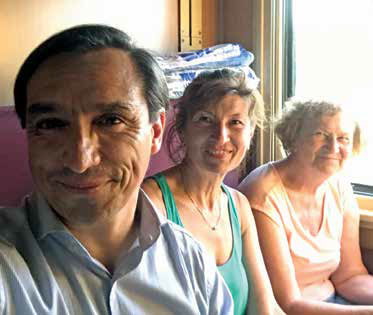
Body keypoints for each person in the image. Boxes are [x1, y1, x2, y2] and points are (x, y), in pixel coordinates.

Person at [0, 24, 234, 314]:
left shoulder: (191, 264)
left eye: (111, 121)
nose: (80, 160)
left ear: (157, 130)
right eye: (51, 124)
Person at [142, 69, 285, 315]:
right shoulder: (152, 202)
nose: (221, 135)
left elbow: (265, 307)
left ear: (250, 133)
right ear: (182, 129)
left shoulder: (238, 205)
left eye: (235, 122)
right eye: (205, 119)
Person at [238, 99, 373, 314]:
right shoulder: (262, 195)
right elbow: (286, 304)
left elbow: (350, 277)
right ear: (293, 137)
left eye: (344, 138)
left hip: (333, 303)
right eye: (320, 134)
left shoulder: (340, 187)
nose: (334, 147)